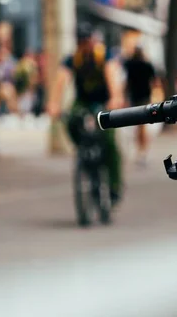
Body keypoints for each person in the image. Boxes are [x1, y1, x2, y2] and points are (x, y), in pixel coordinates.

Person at [47, 22, 125, 208]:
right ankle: (82, 149)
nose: (85, 44)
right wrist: (53, 104)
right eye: (81, 41)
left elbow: (112, 77)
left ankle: (114, 185)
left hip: (103, 101)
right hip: (83, 102)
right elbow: (61, 80)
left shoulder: (103, 56)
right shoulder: (73, 59)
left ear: (93, 39)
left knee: (110, 142)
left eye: (87, 40)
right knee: (71, 119)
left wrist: (116, 98)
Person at [123, 46, 157, 165]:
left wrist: (124, 96)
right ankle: (142, 151)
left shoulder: (130, 65)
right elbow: (154, 81)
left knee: (138, 125)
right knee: (143, 126)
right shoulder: (147, 65)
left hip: (134, 97)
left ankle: (140, 150)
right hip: (144, 97)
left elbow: (126, 82)